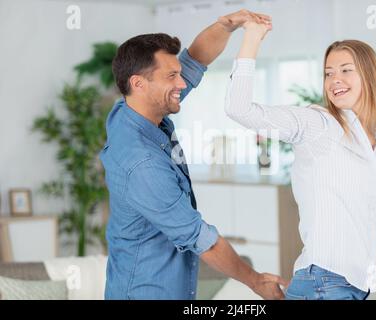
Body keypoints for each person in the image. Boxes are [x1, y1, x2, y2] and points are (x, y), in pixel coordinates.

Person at [100, 10, 288, 300]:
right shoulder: (142, 164)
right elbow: (203, 240)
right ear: (138, 83)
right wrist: (256, 282)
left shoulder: (133, 111)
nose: (182, 83)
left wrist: (225, 26)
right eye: (172, 76)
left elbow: (196, 59)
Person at [225, 21, 376, 300]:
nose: (334, 79)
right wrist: (252, 37)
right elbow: (238, 108)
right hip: (325, 283)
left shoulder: (375, 141)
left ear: (370, 76)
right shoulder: (319, 125)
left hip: (352, 285)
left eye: (345, 70)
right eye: (328, 73)